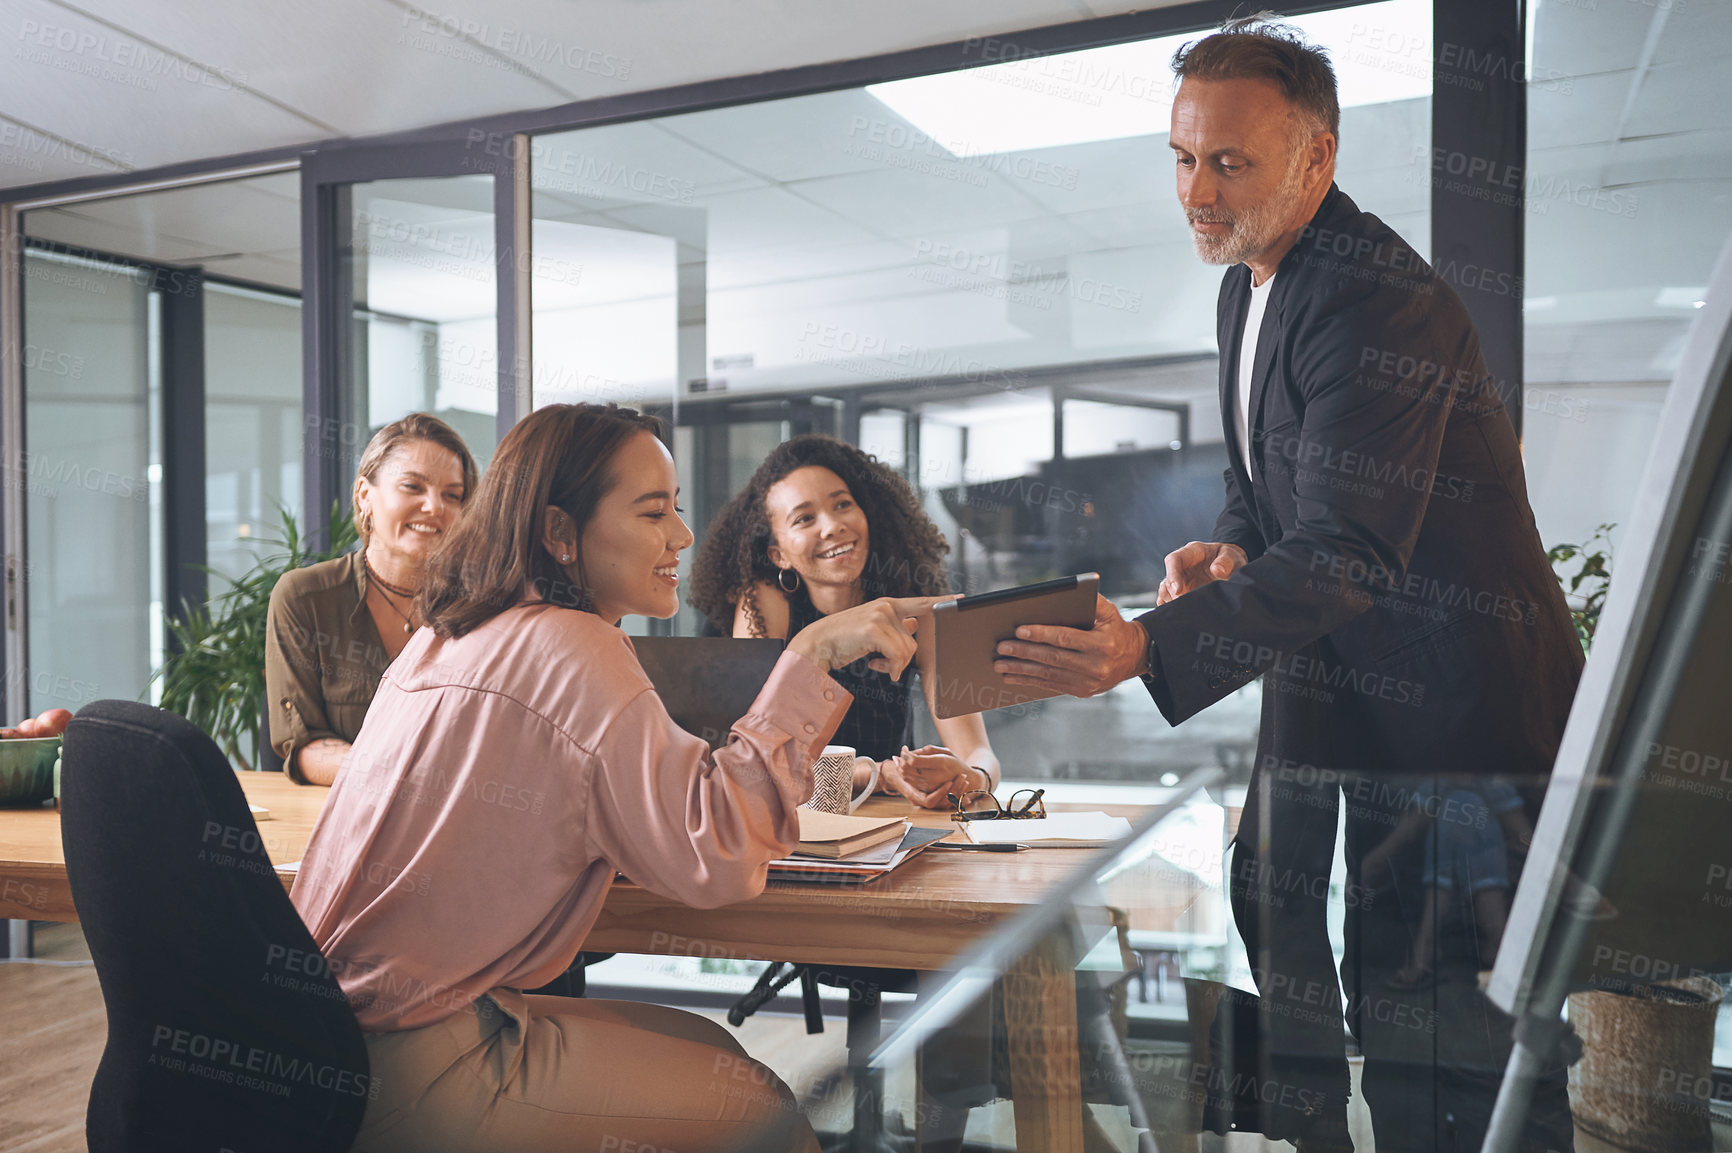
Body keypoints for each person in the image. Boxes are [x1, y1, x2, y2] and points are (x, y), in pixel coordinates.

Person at [991, 17, 1582, 1153]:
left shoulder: (1374, 299)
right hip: (1342, 693)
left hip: (1458, 724)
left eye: (1228, 162)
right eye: (1180, 157)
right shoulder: (1250, 281)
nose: (1195, 192)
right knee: (1287, 917)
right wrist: (1226, 545)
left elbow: (1351, 542)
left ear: (1317, 158)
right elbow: (1268, 480)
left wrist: (1149, 647)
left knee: (1443, 1037)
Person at [290, 403, 925, 1153]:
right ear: (561, 532)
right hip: (419, 1064)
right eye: (654, 511)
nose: (682, 537)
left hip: (329, 1040)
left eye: (678, 509)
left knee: (713, 1052)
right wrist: (810, 657)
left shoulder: (449, 632)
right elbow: (718, 853)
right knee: (759, 1108)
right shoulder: (575, 645)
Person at [689, 434, 1001, 809]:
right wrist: (881, 774)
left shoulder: (910, 599)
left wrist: (971, 777)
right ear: (778, 555)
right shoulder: (765, 602)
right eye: (805, 518)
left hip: (889, 822)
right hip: (794, 825)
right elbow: (753, 760)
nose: (832, 526)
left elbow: (978, 752)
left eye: (843, 505)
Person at [264, 413, 478, 785]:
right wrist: (391, 772)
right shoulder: (305, 598)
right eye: (413, 486)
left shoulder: (484, 604)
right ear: (365, 495)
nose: (434, 507)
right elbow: (302, 745)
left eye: (452, 495)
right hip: (346, 820)